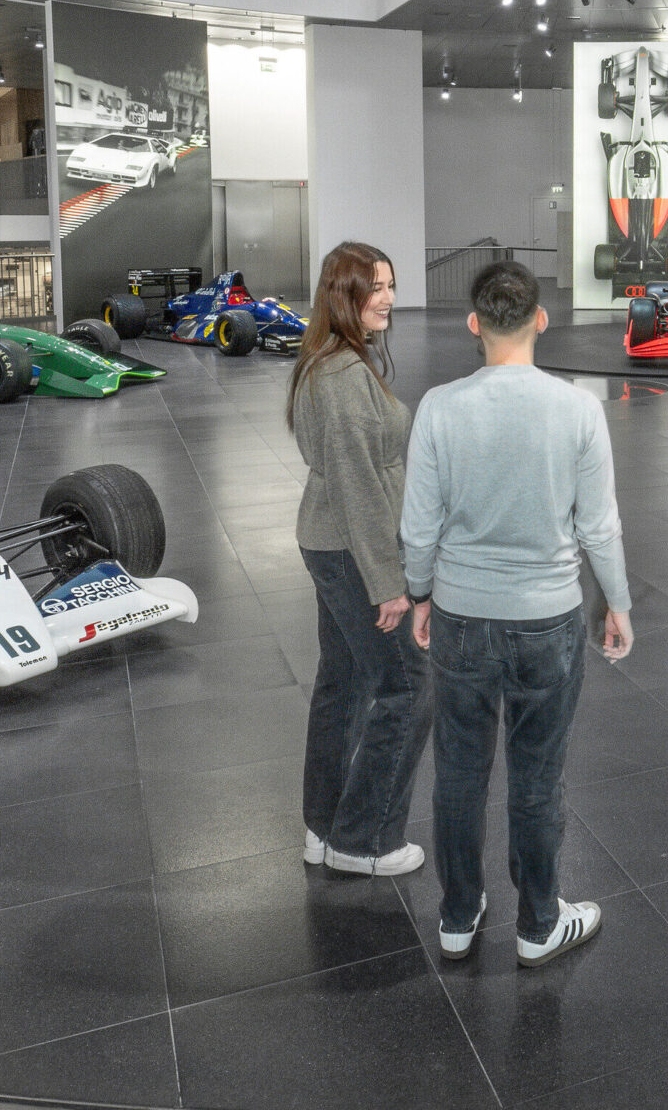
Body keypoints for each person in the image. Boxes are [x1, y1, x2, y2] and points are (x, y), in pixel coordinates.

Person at [403, 261, 633, 967]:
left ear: (474, 324)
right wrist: (617, 603)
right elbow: (599, 527)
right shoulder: (578, 409)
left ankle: (457, 917)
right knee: (537, 778)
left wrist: (420, 594)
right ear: (540, 319)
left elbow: (419, 526)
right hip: (549, 621)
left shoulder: (439, 406)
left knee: (458, 773)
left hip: (460, 616)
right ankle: (538, 926)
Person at [290, 242, 431, 877]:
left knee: (343, 684)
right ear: (342, 294)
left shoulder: (329, 359)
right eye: (375, 288)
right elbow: (357, 484)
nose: (389, 299)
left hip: (331, 540)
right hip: (352, 551)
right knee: (409, 687)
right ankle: (364, 840)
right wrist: (388, 583)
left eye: (391, 286)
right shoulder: (343, 375)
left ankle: (324, 829)